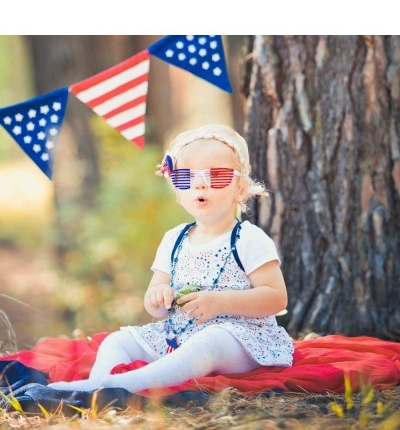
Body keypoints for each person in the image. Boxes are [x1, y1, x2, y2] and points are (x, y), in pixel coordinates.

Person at [48, 124, 294, 394]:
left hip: (241, 338)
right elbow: (156, 301)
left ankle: (128, 385)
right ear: (178, 191)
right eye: (186, 178)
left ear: (240, 188)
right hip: (182, 332)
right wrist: (158, 297)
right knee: (118, 340)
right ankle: (96, 385)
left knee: (211, 342)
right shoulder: (174, 239)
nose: (200, 184)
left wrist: (221, 302)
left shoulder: (248, 238)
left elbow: (276, 297)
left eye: (217, 176)